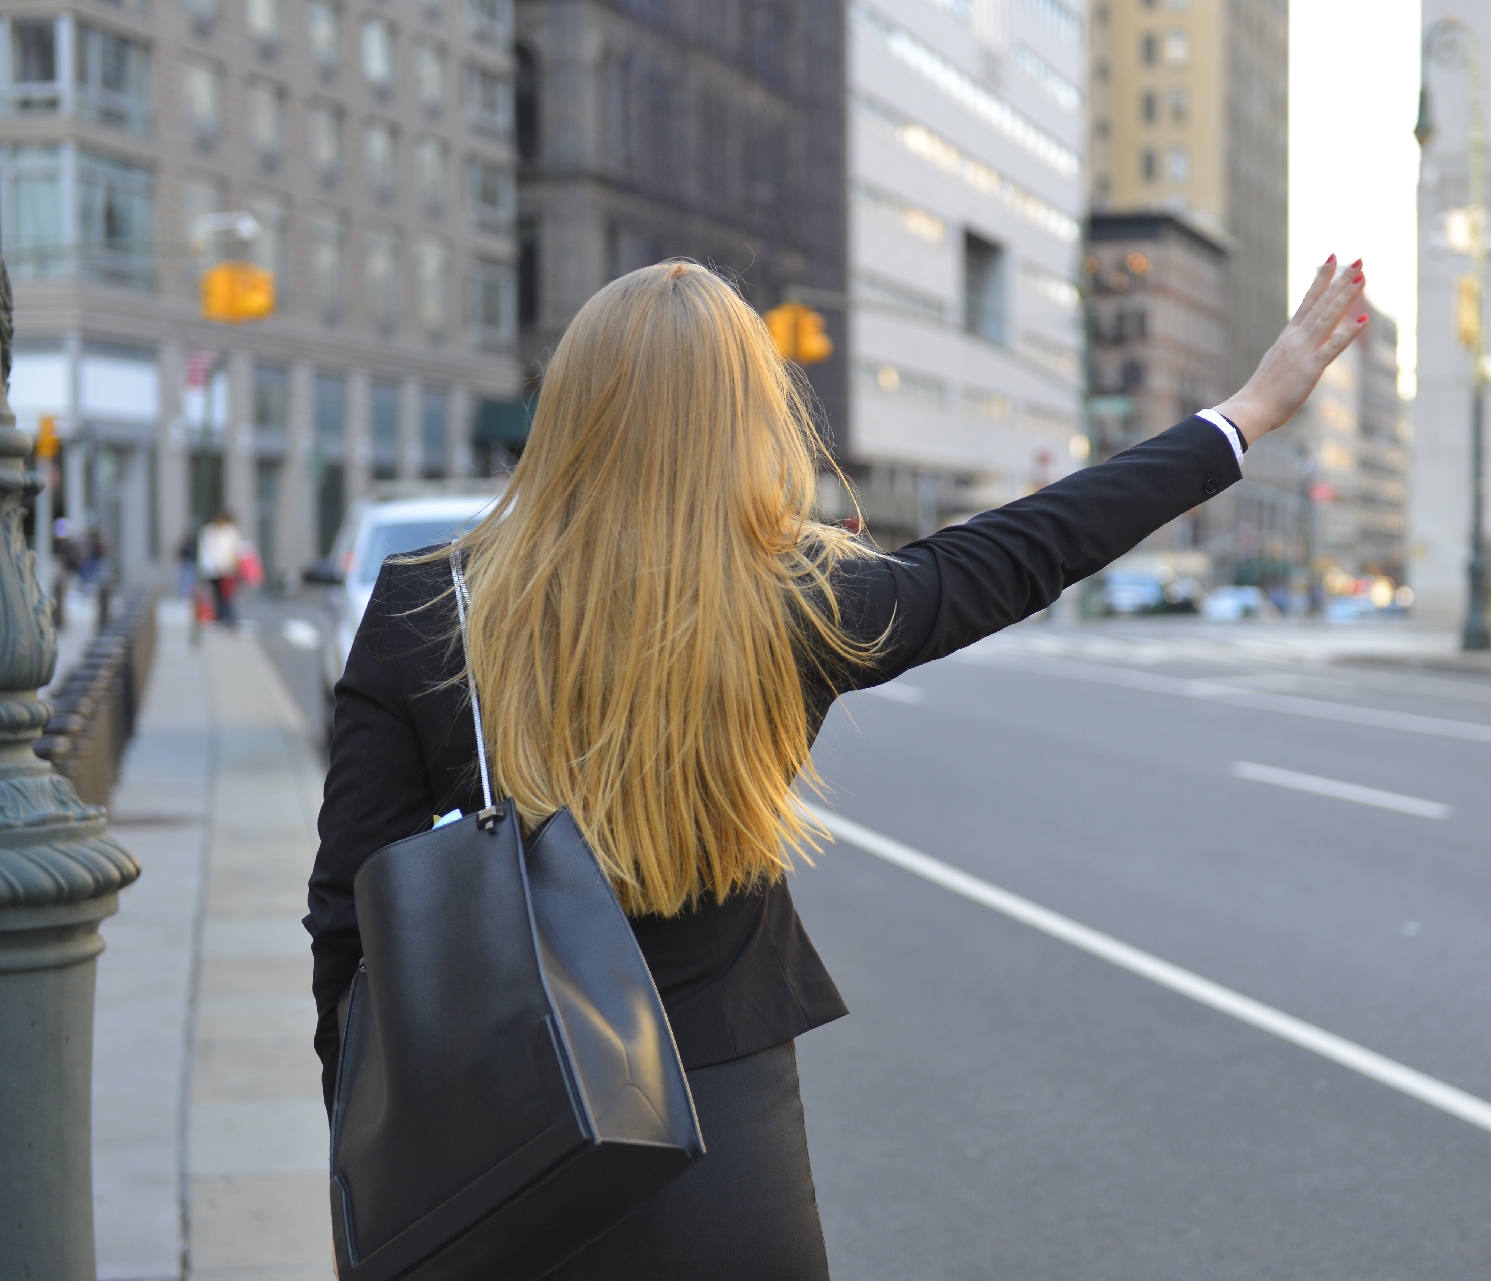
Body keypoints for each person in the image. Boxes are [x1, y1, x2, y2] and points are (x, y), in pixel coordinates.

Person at [305, 256, 1366, 1279]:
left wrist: (368, 1150)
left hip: (494, 1150)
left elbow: (349, 917)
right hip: (722, 1146)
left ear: (569, 410)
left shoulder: (424, 609)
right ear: (746, 417)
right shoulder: (800, 601)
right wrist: (1243, 416)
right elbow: (1029, 547)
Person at [197, 511, 241, 625]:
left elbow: (234, 550)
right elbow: (207, 551)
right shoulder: (209, 531)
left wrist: (233, 566)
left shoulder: (230, 531)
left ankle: (228, 615)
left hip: (227, 569)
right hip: (214, 569)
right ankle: (221, 615)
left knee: (227, 594)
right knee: (217, 593)